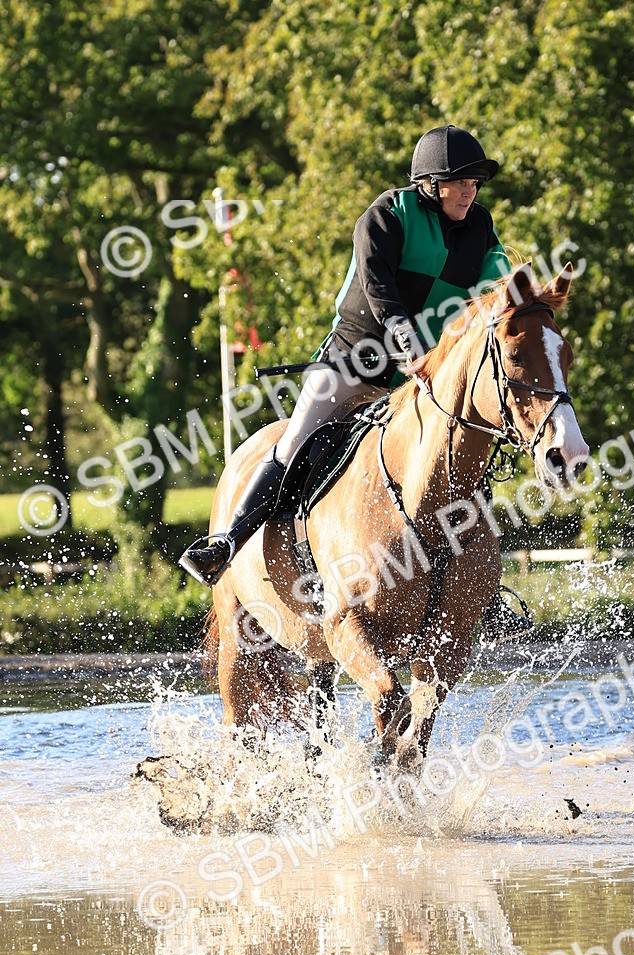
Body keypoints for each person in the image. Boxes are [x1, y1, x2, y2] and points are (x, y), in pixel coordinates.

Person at [180, 124, 534, 638]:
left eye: (475, 182)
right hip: (353, 365)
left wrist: (522, 298)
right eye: (460, 182)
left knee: (451, 459)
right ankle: (226, 545)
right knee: (294, 443)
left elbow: (497, 280)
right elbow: (380, 290)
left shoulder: (480, 225)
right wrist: (407, 342)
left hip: (416, 382)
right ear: (429, 184)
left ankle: (475, 585)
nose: (470, 191)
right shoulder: (386, 218)